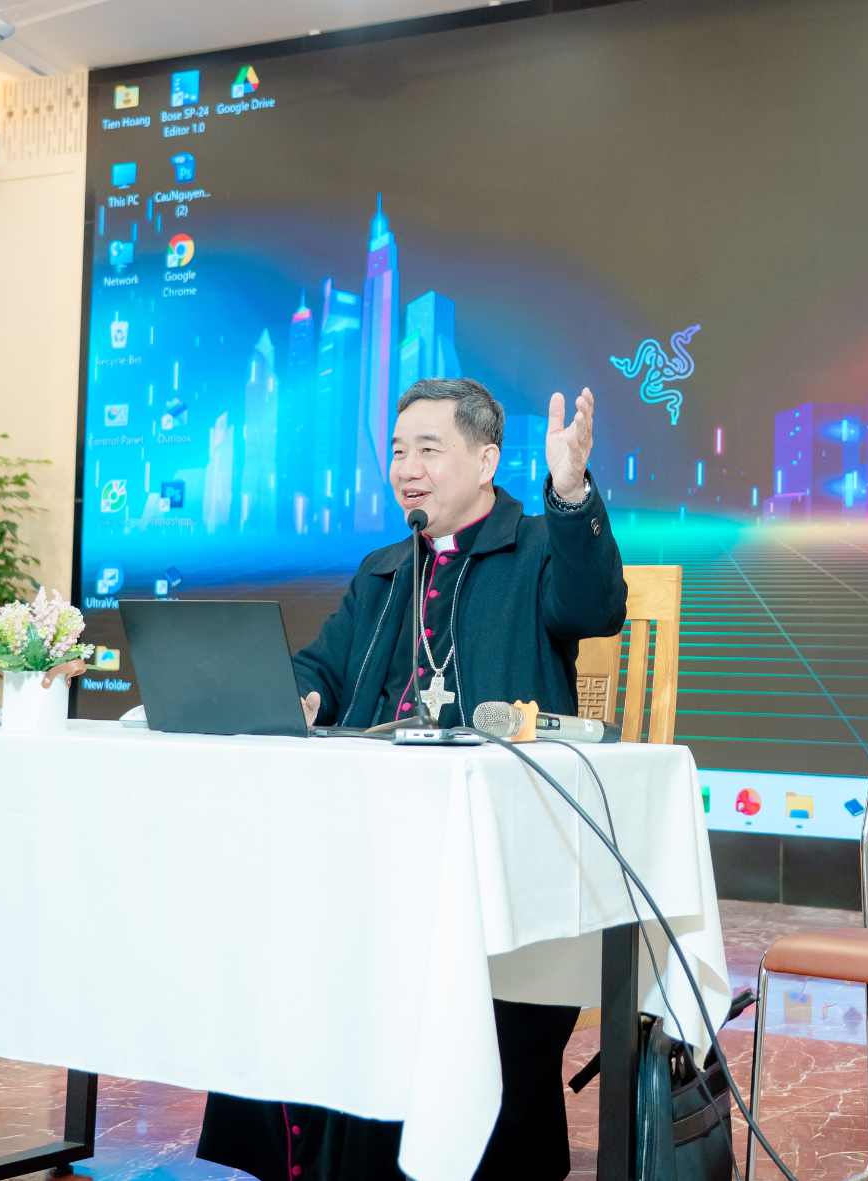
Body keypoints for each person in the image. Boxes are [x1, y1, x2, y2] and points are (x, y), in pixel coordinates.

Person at [196, 377, 628, 1181]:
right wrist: (304, 694)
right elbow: (321, 665)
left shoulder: (537, 547)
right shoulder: (386, 570)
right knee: (278, 922)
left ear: (487, 460)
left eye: (429, 449)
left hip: (489, 855)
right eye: (398, 451)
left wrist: (570, 491)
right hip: (371, 840)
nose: (406, 468)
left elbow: (596, 605)